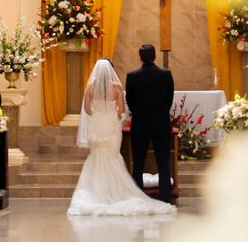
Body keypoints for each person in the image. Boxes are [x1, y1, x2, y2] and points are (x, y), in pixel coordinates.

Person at [67, 58, 175, 216]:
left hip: (97, 126)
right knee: (113, 156)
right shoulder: (116, 86)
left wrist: (99, 114)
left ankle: (98, 193)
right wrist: (113, 116)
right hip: (111, 127)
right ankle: (116, 192)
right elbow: (122, 110)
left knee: (96, 156)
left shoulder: (90, 87)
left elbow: (87, 110)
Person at [125, 45, 175, 204]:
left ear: (140, 57)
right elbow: (169, 98)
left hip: (140, 124)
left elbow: (130, 101)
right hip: (161, 123)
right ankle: (166, 198)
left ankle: (138, 197)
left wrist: (139, 114)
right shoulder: (166, 74)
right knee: (163, 161)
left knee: (138, 161)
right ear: (154, 57)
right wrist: (160, 113)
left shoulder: (132, 76)